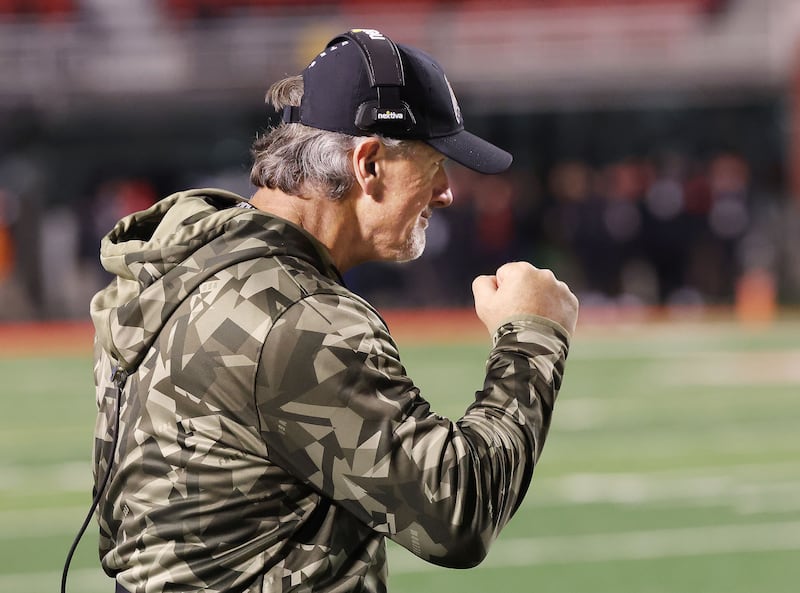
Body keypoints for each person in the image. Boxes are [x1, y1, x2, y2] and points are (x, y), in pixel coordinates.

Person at [86, 28, 579, 593]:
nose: (447, 192)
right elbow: (456, 515)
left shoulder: (186, 265)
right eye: (433, 162)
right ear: (367, 163)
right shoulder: (296, 315)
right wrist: (532, 337)